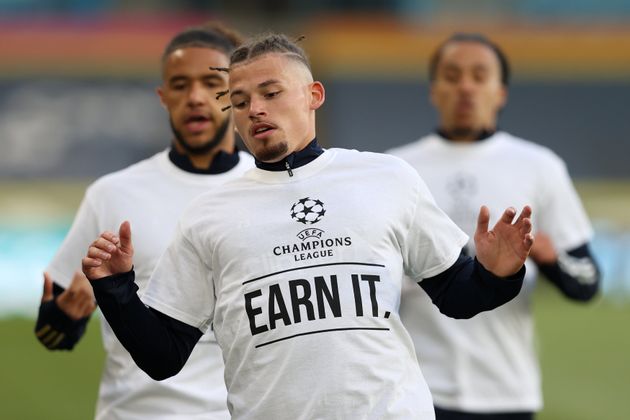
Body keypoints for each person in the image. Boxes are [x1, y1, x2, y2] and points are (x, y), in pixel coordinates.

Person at [81, 33, 535, 420]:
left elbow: (458, 296)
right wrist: (116, 287)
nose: (253, 109)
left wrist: (499, 273)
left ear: (313, 95)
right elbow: (163, 356)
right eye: (239, 101)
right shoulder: (209, 214)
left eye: (270, 93)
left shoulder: (387, 178)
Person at [34, 22, 254, 420]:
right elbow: (51, 331)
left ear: (237, 91)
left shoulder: (269, 189)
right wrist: (67, 317)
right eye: (180, 84)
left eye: (210, 82)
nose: (195, 97)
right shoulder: (114, 193)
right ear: (162, 96)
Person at [387, 33, 600, 420]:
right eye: (452, 76)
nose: (465, 86)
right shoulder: (394, 170)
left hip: (505, 392)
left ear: (500, 92)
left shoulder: (539, 166)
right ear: (434, 91)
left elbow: (586, 283)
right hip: (414, 392)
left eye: (479, 75)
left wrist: (544, 254)